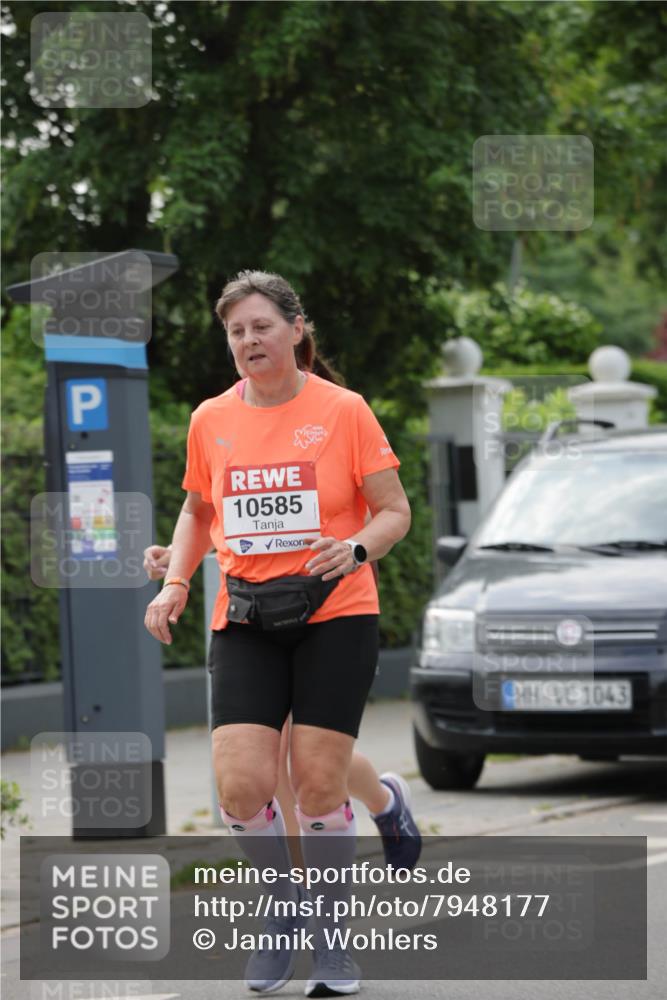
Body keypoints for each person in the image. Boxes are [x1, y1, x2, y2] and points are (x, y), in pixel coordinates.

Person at [144, 270, 413, 997]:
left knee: (318, 787)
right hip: (248, 617)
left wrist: (356, 547)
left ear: (296, 329)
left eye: (261, 325)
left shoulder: (343, 410)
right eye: (235, 331)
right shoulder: (211, 419)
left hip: (335, 612)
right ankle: (282, 905)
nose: (248, 340)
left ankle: (330, 937)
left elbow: (393, 510)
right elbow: (200, 513)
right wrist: (175, 581)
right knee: (240, 786)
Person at [143, 542, 422, 866]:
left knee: (311, 761)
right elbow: (231, 511)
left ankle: (385, 804)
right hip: (257, 616)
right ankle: (306, 880)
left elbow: (372, 517)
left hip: (331, 612)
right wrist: (180, 552)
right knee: (284, 758)